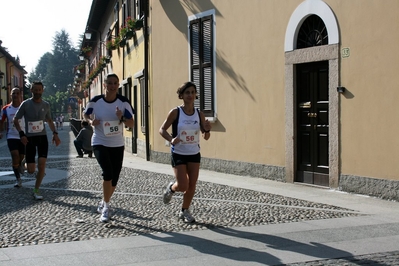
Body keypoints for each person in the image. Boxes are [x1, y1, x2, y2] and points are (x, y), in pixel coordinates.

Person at [83, 73, 134, 223]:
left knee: (115, 178)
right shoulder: (96, 101)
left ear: (118, 85)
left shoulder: (124, 102)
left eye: (115, 84)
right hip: (99, 141)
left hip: (117, 143)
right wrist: (91, 121)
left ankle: (103, 201)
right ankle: (106, 206)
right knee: (107, 172)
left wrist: (121, 117)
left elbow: (131, 123)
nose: (112, 86)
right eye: (109, 83)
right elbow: (85, 115)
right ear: (104, 85)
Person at [159, 81, 211, 223]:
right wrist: (171, 139)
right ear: (181, 95)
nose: (190, 95)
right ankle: (171, 188)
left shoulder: (199, 114)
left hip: (194, 153)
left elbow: (206, 136)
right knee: (183, 185)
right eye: (187, 92)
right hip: (179, 152)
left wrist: (207, 129)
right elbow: (162, 129)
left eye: (193, 92)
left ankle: (185, 210)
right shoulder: (176, 112)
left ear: (195, 95)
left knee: (192, 185)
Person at [13, 81, 61, 200]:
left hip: (42, 138)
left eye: (39, 90)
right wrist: (21, 134)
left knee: (42, 165)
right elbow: (16, 120)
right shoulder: (25, 104)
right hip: (29, 139)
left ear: (42, 90)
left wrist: (55, 133)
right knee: (30, 170)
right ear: (31, 90)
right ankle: (23, 163)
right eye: (35, 90)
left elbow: (49, 120)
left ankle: (36, 190)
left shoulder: (46, 105)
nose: (37, 92)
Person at [0, 87, 26, 187]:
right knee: (15, 155)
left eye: (17, 93)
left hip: (23, 136)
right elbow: (1, 121)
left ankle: (20, 165)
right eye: (13, 93)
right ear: (11, 95)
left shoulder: (24, 107)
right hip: (11, 136)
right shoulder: (6, 109)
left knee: (21, 157)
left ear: (20, 95)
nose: (15, 95)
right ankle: (18, 179)